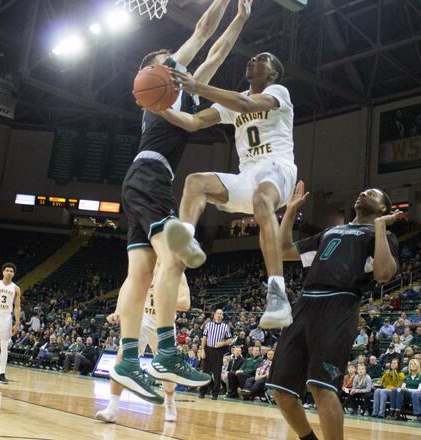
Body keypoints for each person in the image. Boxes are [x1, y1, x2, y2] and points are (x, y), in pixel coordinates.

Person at [108, 0, 246, 404]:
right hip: (150, 177)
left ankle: (129, 360)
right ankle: (166, 353)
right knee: (172, 260)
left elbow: (216, 52)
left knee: (141, 273)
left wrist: (240, 17)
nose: (176, 61)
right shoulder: (157, 77)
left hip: (144, 181)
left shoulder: (183, 90)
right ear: (156, 67)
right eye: (169, 59)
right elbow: (202, 31)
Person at [160, 46, 297, 331]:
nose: (252, 59)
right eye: (252, 56)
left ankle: (278, 294)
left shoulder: (279, 92)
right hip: (247, 176)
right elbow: (195, 122)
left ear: (272, 73)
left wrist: (198, 86)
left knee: (262, 198)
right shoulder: (231, 102)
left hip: (278, 170)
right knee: (195, 182)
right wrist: (159, 107)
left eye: (261, 58)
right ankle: (186, 239)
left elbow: (245, 106)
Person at [266, 182, 401, 440]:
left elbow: (384, 274)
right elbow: (283, 251)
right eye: (363, 191)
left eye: (371, 193)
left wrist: (381, 227)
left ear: (383, 207)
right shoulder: (331, 231)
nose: (363, 193)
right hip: (305, 304)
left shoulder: (380, 236)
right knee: (280, 390)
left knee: (321, 386)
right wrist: (291, 211)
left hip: (339, 305)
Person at [96, 270, 190, 423]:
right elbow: (126, 288)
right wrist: (118, 311)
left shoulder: (176, 272)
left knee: (166, 369)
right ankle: (112, 408)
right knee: (122, 358)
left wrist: (163, 298)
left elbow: (185, 303)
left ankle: (170, 402)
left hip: (163, 323)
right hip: (141, 319)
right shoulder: (144, 265)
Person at [199, 309, 235, 400]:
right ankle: (202, 391)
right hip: (208, 349)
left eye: (221, 314)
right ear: (214, 315)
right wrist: (202, 350)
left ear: (222, 316)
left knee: (217, 373)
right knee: (205, 372)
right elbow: (204, 338)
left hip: (218, 351)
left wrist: (223, 343)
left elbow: (230, 340)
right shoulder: (208, 325)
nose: (219, 315)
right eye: (218, 313)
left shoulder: (225, 326)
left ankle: (215, 393)